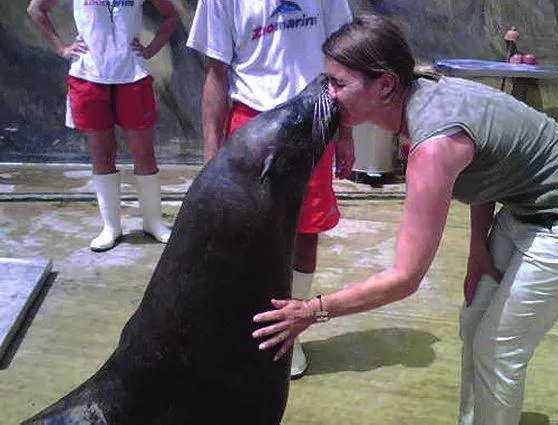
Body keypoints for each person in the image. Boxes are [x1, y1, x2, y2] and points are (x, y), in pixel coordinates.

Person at [252, 14, 558, 424]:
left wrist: (312, 311)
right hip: (529, 206)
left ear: (385, 85)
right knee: (474, 322)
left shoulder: (434, 143)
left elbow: (405, 278)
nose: (329, 93)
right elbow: (487, 164)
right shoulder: (422, 92)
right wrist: (478, 248)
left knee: (498, 347)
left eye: (338, 83)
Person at [186, 0, 355, 379]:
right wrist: (211, 156)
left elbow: (344, 59)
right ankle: (243, 332)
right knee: (241, 237)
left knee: (305, 233)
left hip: (315, 117)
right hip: (251, 122)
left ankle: (290, 335)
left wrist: (345, 132)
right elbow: (216, 72)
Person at [27, 0, 179, 252]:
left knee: (144, 153)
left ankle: (153, 222)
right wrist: (61, 48)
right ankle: (111, 227)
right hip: (88, 77)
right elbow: (36, 9)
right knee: (102, 153)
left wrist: (151, 49)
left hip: (133, 75)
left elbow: (172, 15)